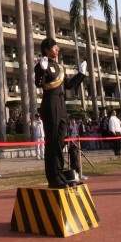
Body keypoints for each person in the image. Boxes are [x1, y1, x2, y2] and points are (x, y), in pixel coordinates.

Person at [34, 38, 86, 188]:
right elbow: (38, 83)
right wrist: (42, 69)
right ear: (47, 49)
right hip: (50, 104)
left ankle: (59, 173)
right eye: (54, 47)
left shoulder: (59, 67)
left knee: (61, 140)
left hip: (61, 105)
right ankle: (53, 177)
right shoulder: (41, 64)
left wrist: (81, 74)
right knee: (52, 141)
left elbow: (68, 85)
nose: (57, 49)